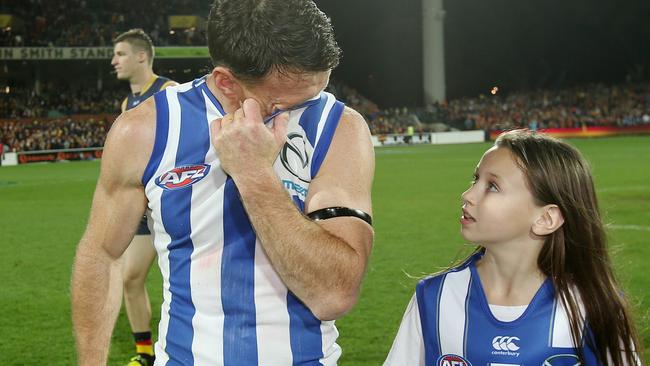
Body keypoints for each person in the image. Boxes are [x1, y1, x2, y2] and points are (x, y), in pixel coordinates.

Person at [71, 0, 375, 365]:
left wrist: (254, 175)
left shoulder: (339, 127)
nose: (300, 112)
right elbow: (102, 254)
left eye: (314, 93)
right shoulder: (144, 131)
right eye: (279, 104)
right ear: (226, 82)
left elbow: (334, 294)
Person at [384, 130, 641, 366]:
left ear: (545, 219)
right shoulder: (435, 298)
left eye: (492, 186)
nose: (468, 195)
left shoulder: (593, 305)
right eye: (476, 179)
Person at [111, 28, 178, 366]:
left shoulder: (169, 91)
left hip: (170, 204)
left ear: (141, 56)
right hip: (143, 204)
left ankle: (182, 346)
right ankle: (145, 353)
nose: (114, 61)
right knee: (130, 277)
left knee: (178, 281)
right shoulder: (127, 103)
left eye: (120, 54)